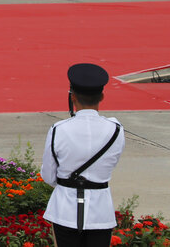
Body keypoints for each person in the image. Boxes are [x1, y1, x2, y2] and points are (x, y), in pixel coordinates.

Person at [41, 63, 125, 247]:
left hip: (64, 210)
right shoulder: (116, 130)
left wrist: (67, 185)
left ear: (72, 97)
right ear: (102, 96)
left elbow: (48, 175)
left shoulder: (58, 130)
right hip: (100, 211)